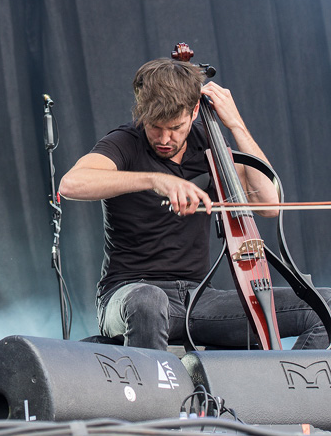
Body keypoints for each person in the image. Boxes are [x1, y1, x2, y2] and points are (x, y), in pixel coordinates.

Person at [58, 53, 330, 351]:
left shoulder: (209, 144)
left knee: (324, 305)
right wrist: (154, 179)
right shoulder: (124, 142)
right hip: (128, 295)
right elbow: (72, 184)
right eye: (155, 127)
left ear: (195, 111)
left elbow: (268, 204)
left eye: (175, 127)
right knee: (148, 300)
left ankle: (286, 392)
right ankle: (153, 397)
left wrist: (236, 125)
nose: (164, 138)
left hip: (199, 300)